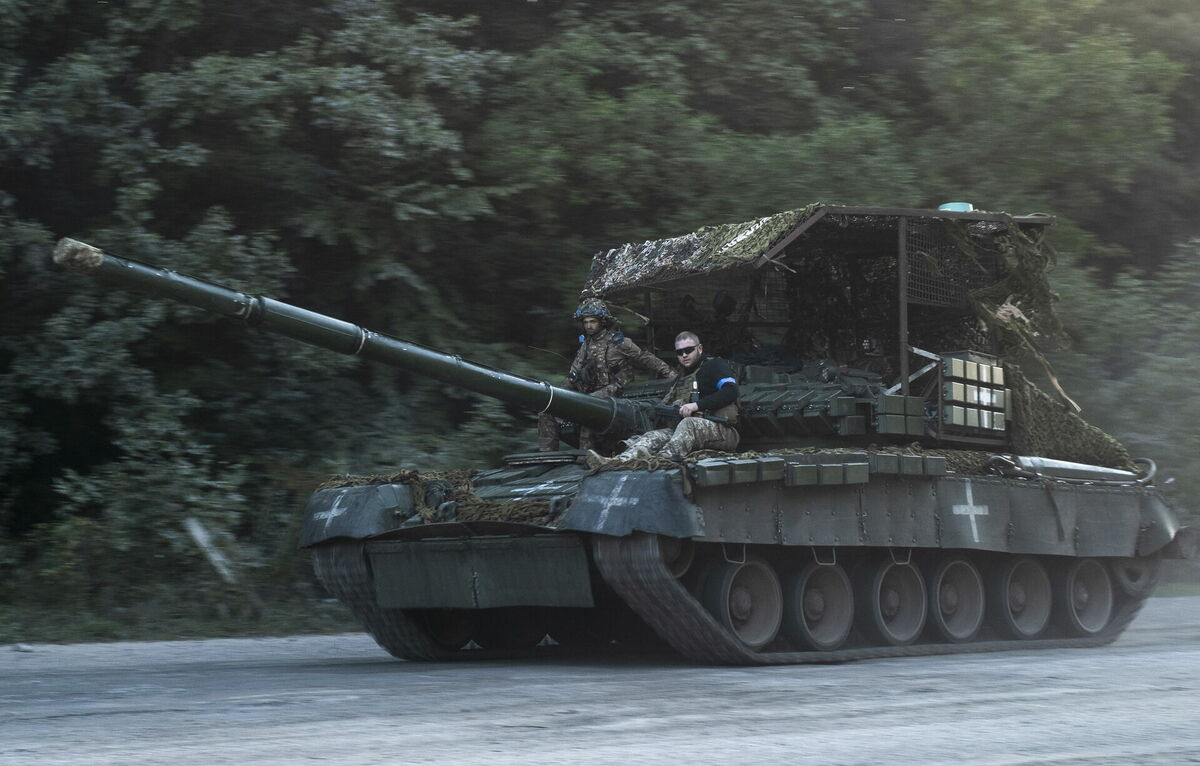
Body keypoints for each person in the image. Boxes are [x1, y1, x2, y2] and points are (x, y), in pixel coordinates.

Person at [538, 297, 674, 452]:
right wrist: (558, 396)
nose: (589, 326)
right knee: (546, 408)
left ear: (602, 321)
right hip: (590, 391)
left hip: (616, 390)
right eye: (586, 322)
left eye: (592, 321)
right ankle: (547, 455)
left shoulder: (618, 342)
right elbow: (573, 374)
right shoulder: (586, 345)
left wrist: (670, 374)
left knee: (586, 404)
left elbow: (644, 357)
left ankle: (585, 454)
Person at [604, 331, 740, 461]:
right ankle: (618, 461)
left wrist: (696, 405)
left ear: (699, 348)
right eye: (680, 352)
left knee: (688, 423)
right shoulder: (681, 377)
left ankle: (662, 460)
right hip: (687, 430)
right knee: (653, 436)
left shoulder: (715, 365)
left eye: (689, 350)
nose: (684, 355)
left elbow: (731, 391)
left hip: (723, 431)